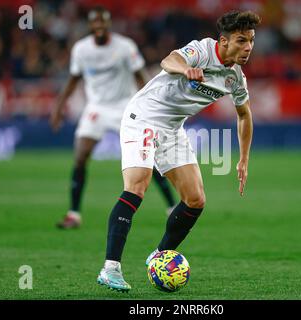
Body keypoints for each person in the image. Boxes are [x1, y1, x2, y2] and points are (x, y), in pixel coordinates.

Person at [96, 10, 260, 291]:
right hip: (144, 116)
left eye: (251, 41)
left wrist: (243, 158)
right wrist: (187, 69)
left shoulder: (235, 78)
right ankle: (110, 268)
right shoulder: (203, 49)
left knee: (195, 199)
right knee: (137, 187)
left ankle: (158, 256)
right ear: (223, 41)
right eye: (241, 40)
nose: (247, 48)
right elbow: (168, 60)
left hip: (172, 128)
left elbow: (244, 115)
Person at [49, 6, 176, 229]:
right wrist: (59, 107)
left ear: (108, 24)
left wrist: (151, 105)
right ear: (90, 25)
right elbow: (73, 79)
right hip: (96, 108)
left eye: (103, 22)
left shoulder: (125, 47)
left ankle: (172, 207)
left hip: (125, 107)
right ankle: (74, 214)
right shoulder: (81, 49)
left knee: (146, 159)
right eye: (95, 22)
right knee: (80, 156)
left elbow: (141, 77)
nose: (99, 26)